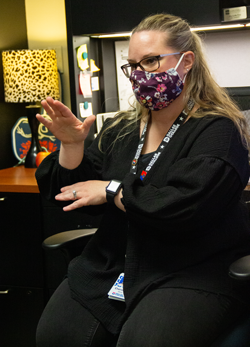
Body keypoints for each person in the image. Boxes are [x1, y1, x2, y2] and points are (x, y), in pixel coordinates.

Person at [35, 13, 250, 347]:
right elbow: (73, 191)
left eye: (151, 61)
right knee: (55, 336)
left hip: (188, 270)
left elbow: (184, 207)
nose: (139, 75)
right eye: (133, 65)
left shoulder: (219, 131)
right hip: (112, 264)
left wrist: (112, 192)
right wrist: (72, 145)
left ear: (186, 61)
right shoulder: (120, 130)